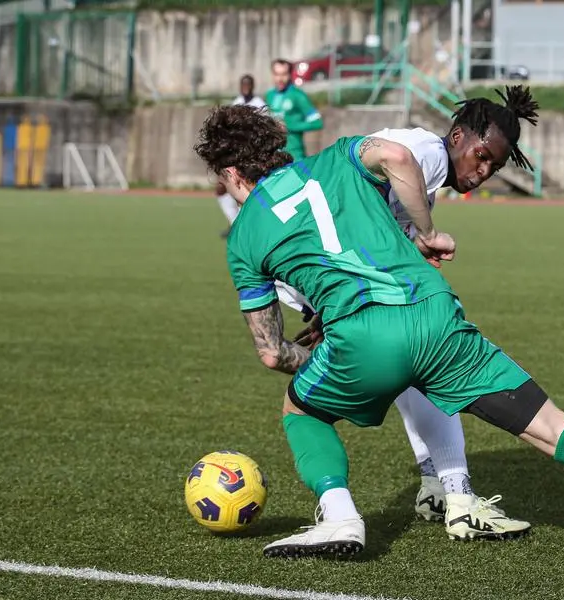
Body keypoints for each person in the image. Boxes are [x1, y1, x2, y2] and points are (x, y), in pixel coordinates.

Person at [195, 104, 564, 571]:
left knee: (301, 410)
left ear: (229, 174)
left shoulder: (244, 235)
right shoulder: (339, 156)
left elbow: (271, 351)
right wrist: (427, 234)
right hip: (438, 316)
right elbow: (393, 154)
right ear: (276, 147)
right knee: (556, 428)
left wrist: (309, 355)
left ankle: (341, 515)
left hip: (361, 335)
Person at [213, 89, 542, 539]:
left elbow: (379, 209)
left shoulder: (427, 160)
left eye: (494, 165)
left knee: (412, 370)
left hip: (340, 281)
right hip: (351, 281)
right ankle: (454, 495)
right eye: (482, 158)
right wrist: (423, 236)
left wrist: (413, 241)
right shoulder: (425, 154)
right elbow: (386, 183)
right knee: (421, 365)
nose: (483, 172)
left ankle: (437, 489)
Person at [218, 75, 267, 230]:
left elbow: (266, 128)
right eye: (243, 85)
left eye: (248, 85)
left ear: (252, 86)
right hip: (236, 153)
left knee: (248, 188)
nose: (245, 88)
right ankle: (235, 222)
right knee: (222, 188)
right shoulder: (236, 102)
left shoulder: (259, 104)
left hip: (253, 153)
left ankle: (246, 225)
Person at [266, 59, 323, 161]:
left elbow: (317, 122)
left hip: (295, 156)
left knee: (307, 176)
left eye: (284, 74)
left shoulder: (298, 95)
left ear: (290, 74)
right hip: (274, 156)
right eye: (276, 74)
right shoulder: (269, 95)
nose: (280, 78)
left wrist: (291, 125)